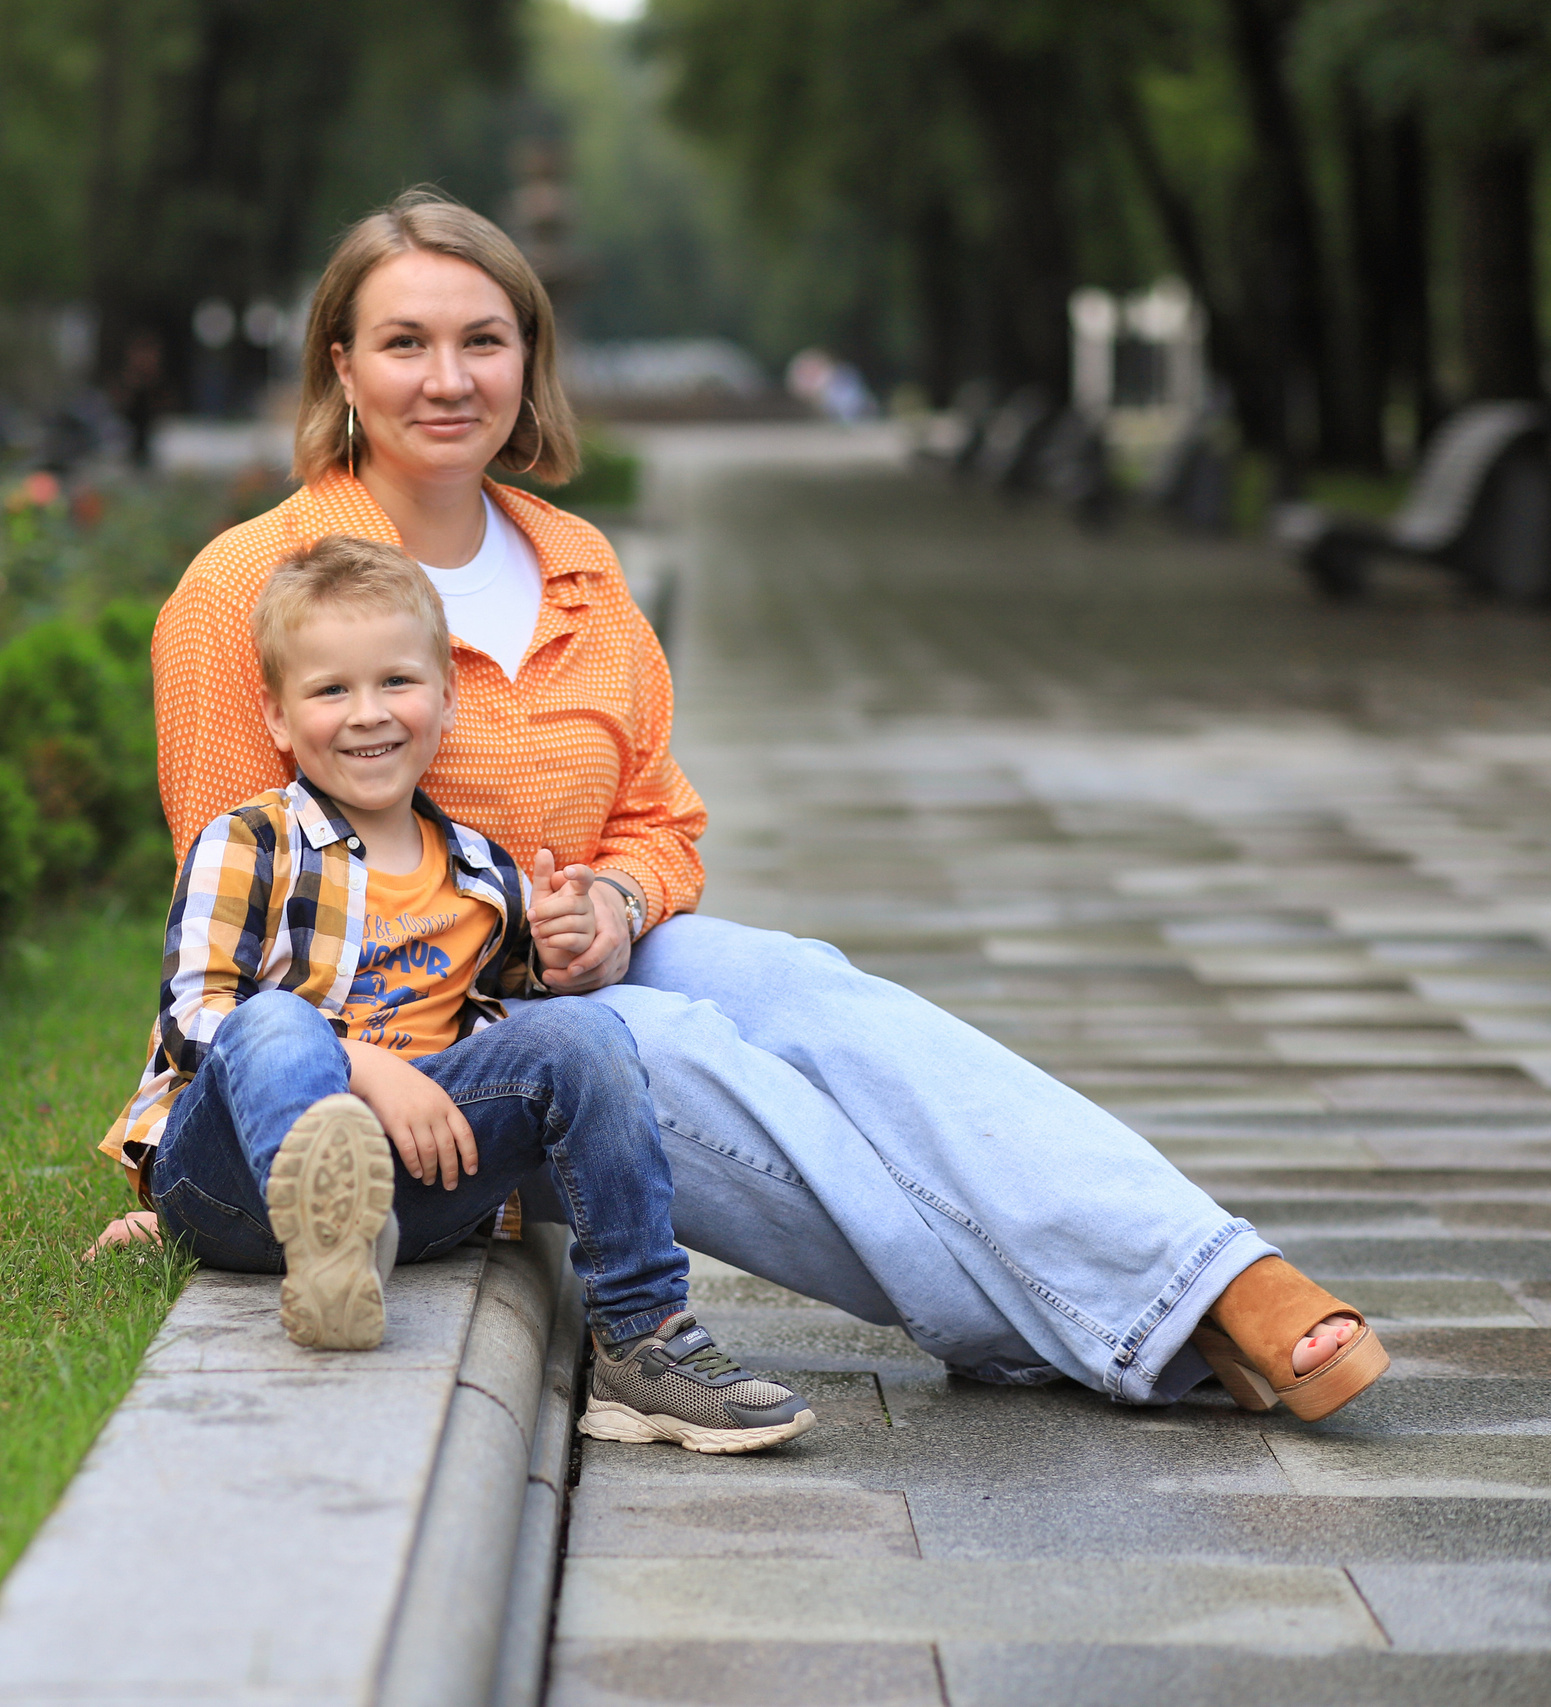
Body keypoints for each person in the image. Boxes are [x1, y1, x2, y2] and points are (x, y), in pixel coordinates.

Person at [102, 189, 1388, 1426]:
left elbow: (661, 820)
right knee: (684, 1054)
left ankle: (1204, 1269)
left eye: (482, 340)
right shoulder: (246, 592)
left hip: (572, 960)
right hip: (431, 1046)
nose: (448, 378)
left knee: (808, 989)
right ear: (342, 366)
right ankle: (1134, 1315)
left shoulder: (577, 564)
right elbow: (236, 917)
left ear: (527, 360)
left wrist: (613, 901)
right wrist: (211, 1159)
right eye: (406, 343)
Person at [101, 535, 817, 1453]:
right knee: (272, 1020)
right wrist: (362, 1068)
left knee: (586, 1037)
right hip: (238, 1172)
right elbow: (198, 1019)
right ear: (278, 718)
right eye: (331, 691)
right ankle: (323, 1229)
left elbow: (527, 1009)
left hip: (416, 1192)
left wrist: (564, 936)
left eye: (397, 682)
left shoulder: (481, 873)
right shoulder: (248, 844)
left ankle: (642, 1343)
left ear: (446, 699)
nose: (369, 714)